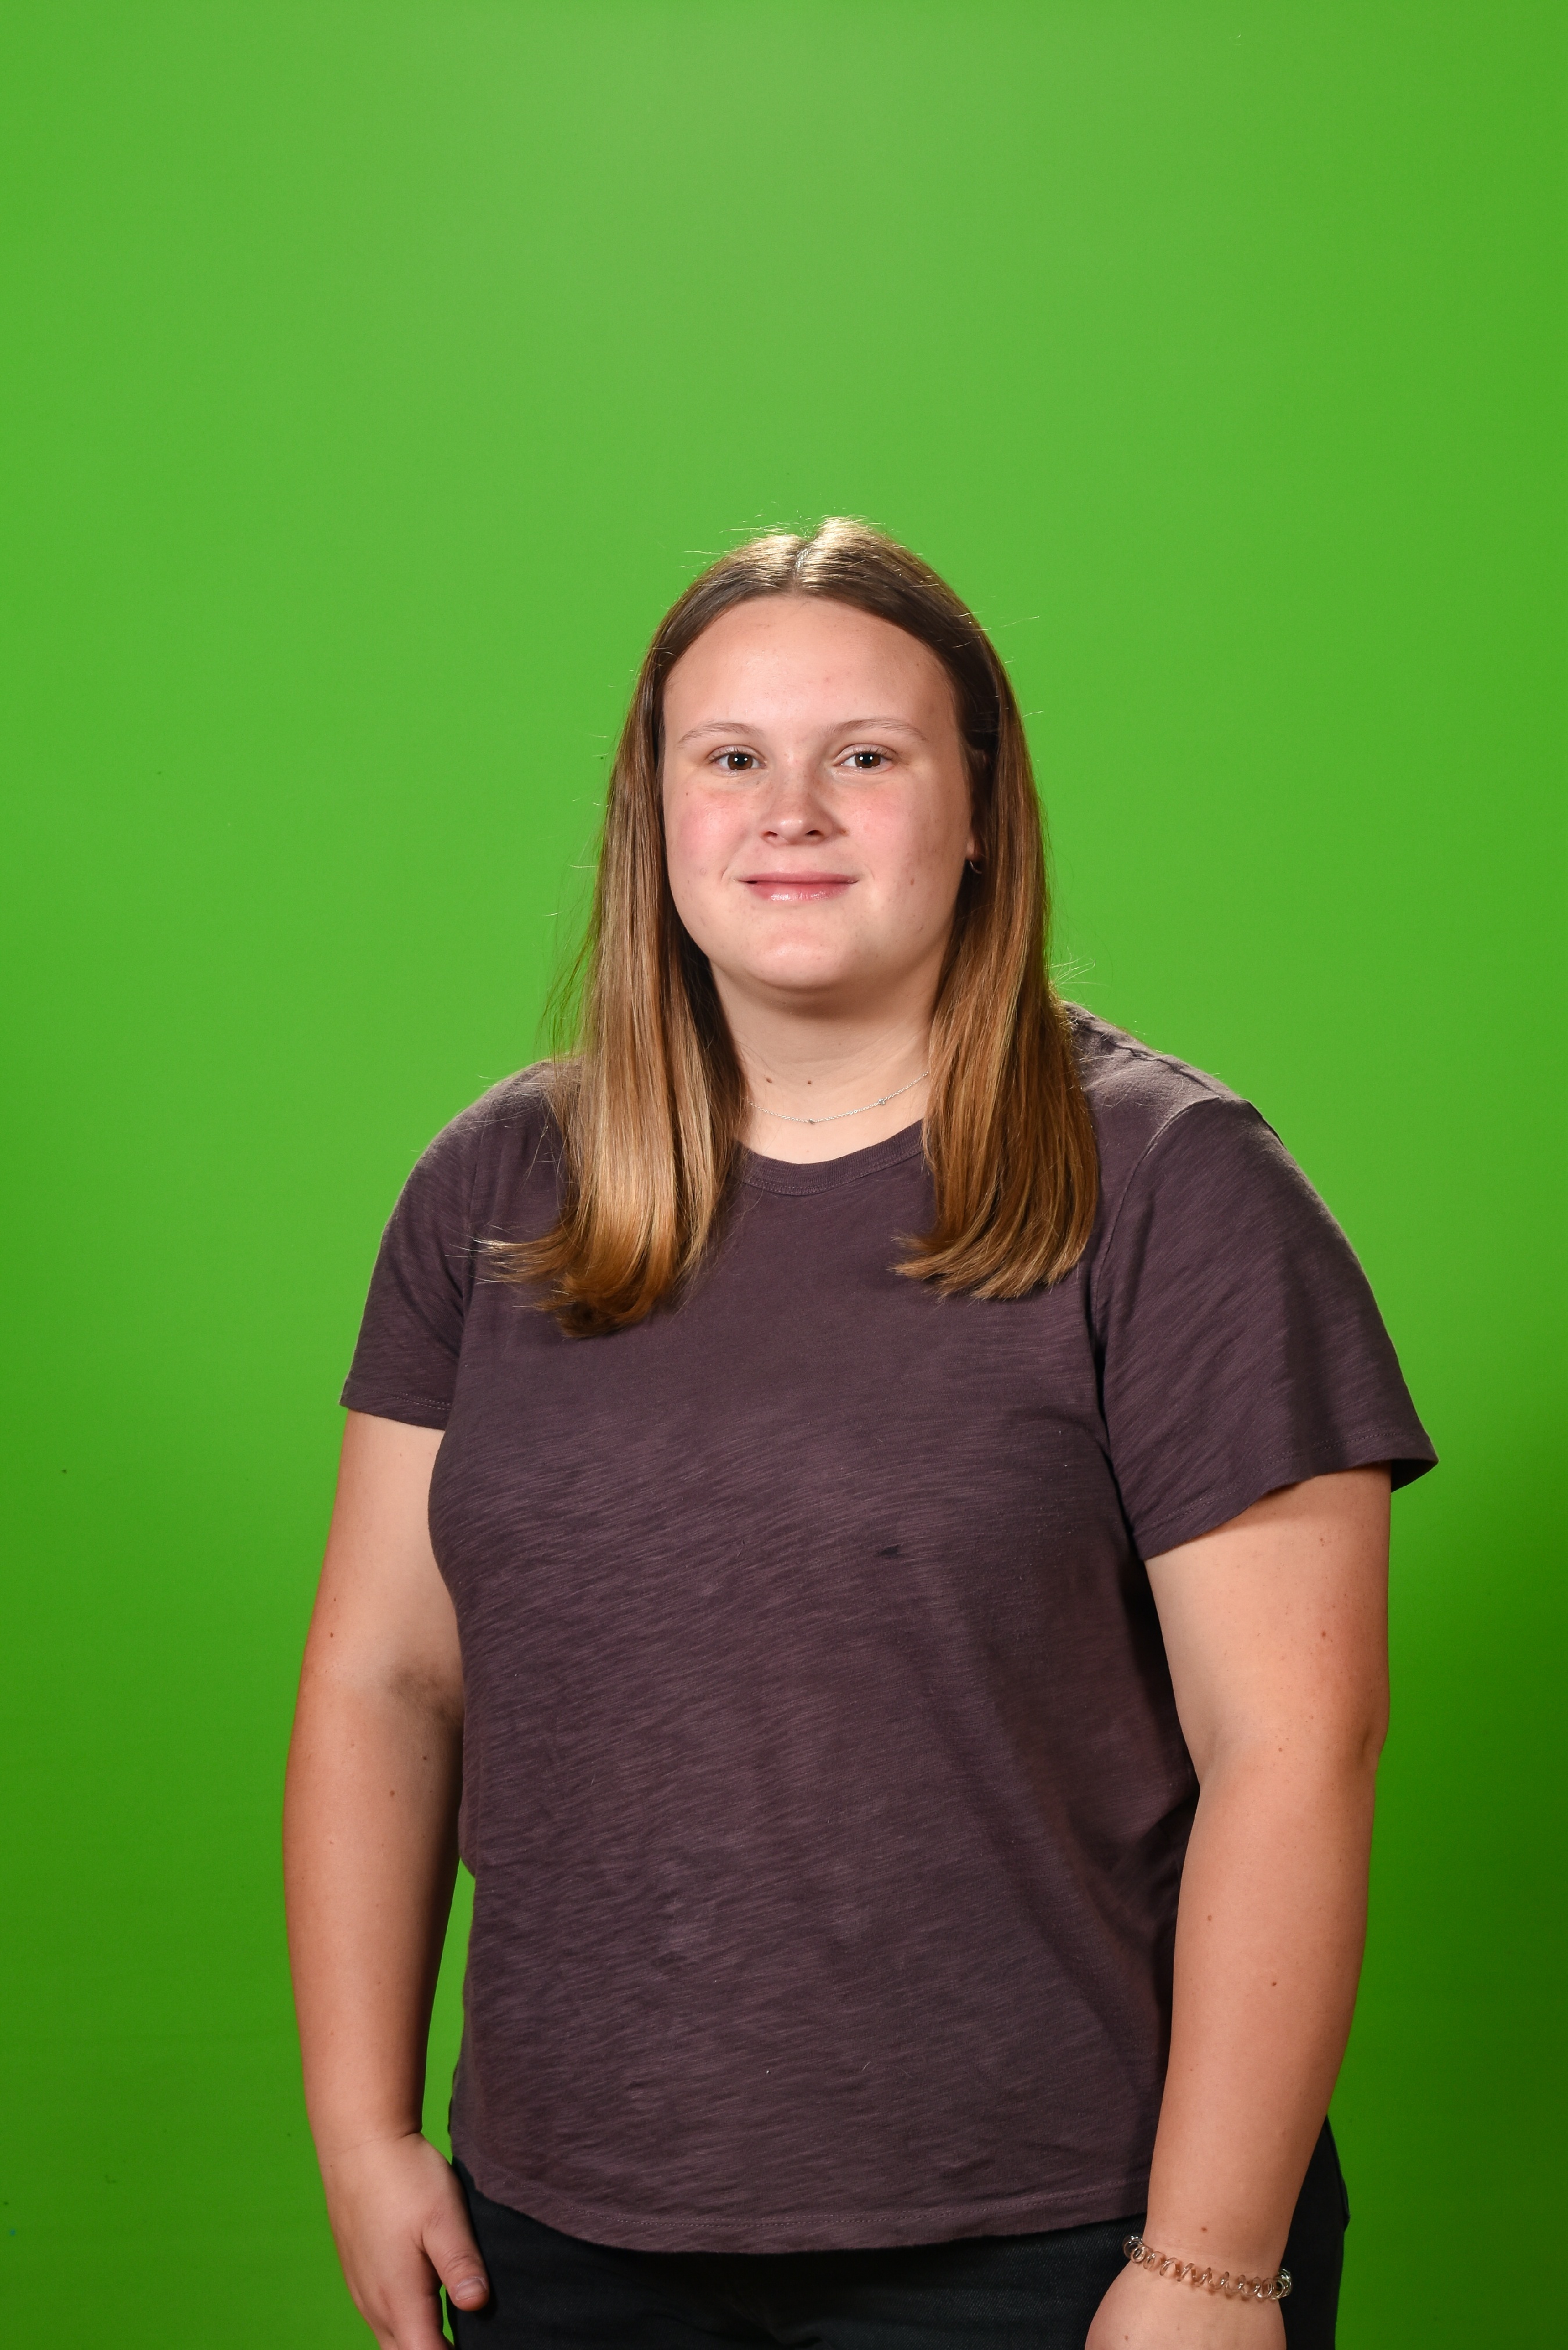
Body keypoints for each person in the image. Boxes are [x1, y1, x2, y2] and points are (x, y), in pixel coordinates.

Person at [284, 519, 1434, 2350]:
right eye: (730, 756)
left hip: (1061, 2244)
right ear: (651, 812)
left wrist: (1208, 2262)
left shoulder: (1175, 1188)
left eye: (868, 756)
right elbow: (384, 1683)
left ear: (980, 811)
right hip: (563, 2240)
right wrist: (362, 2132)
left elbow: (1293, 1749)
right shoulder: (494, 1183)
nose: (790, 813)